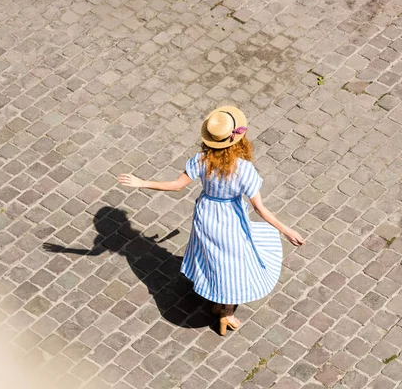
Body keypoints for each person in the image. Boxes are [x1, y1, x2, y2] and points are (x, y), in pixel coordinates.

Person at [118, 106, 304, 335]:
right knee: (232, 264)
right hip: (230, 219)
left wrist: (142, 182)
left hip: (206, 215)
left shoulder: (201, 160)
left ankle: (218, 303)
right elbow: (259, 208)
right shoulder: (244, 170)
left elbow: (176, 186)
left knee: (213, 259)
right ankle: (226, 312)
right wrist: (286, 230)